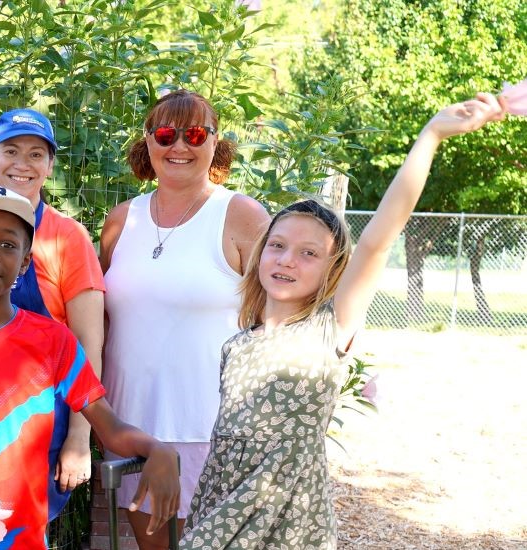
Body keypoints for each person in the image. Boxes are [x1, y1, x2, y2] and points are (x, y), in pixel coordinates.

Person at [183, 93, 506, 549]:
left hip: (289, 518)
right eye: (278, 245)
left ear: (332, 269)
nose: (287, 260)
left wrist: (430, 137)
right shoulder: (237, 345)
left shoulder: (327, 329)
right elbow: (226, 453)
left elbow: (379, 238)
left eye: (308, 253)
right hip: (226, 509)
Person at [0, 185, 180, 549]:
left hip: (25, 537)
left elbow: (108, 427)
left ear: (26, 261)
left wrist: (157, 449)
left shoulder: (54, 342)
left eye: (7, 245)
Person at [99, 89, 271, 549]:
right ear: (147, 143)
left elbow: (279, 317)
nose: (179, 145)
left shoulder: (240, 216)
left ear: (216, 143)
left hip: (210, 429)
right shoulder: (120, 222)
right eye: (165, 133)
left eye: (195, 134)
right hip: (131, 429)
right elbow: (103, 324)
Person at [0, 108, 107, 517]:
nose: (23, 164)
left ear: (50, 165)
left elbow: (89, 345)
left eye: (37, 154)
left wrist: (78, 437)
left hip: (41, 426)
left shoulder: (67, 237)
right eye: (11, 151)